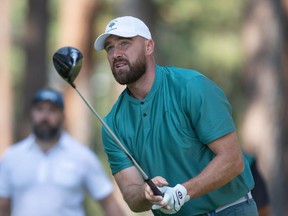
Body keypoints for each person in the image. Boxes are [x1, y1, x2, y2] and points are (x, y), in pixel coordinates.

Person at [93, 16, 259, 216]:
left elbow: (232, 160)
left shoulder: (192, 87)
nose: (116, 54)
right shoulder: (113, 124)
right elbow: (131, 196)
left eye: (124, 43)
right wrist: (145, 193)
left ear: (149, 46)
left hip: (229, 210)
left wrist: (183, 192)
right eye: (110, 48)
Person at [0, 87, 125, 216]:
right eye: (39, 109)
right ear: (32, 113)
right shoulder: (12, 157)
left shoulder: (82, 156)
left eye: (52, 110)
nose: (45, 116)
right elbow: (2, 207)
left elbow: (109, 203)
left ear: (63, 115)